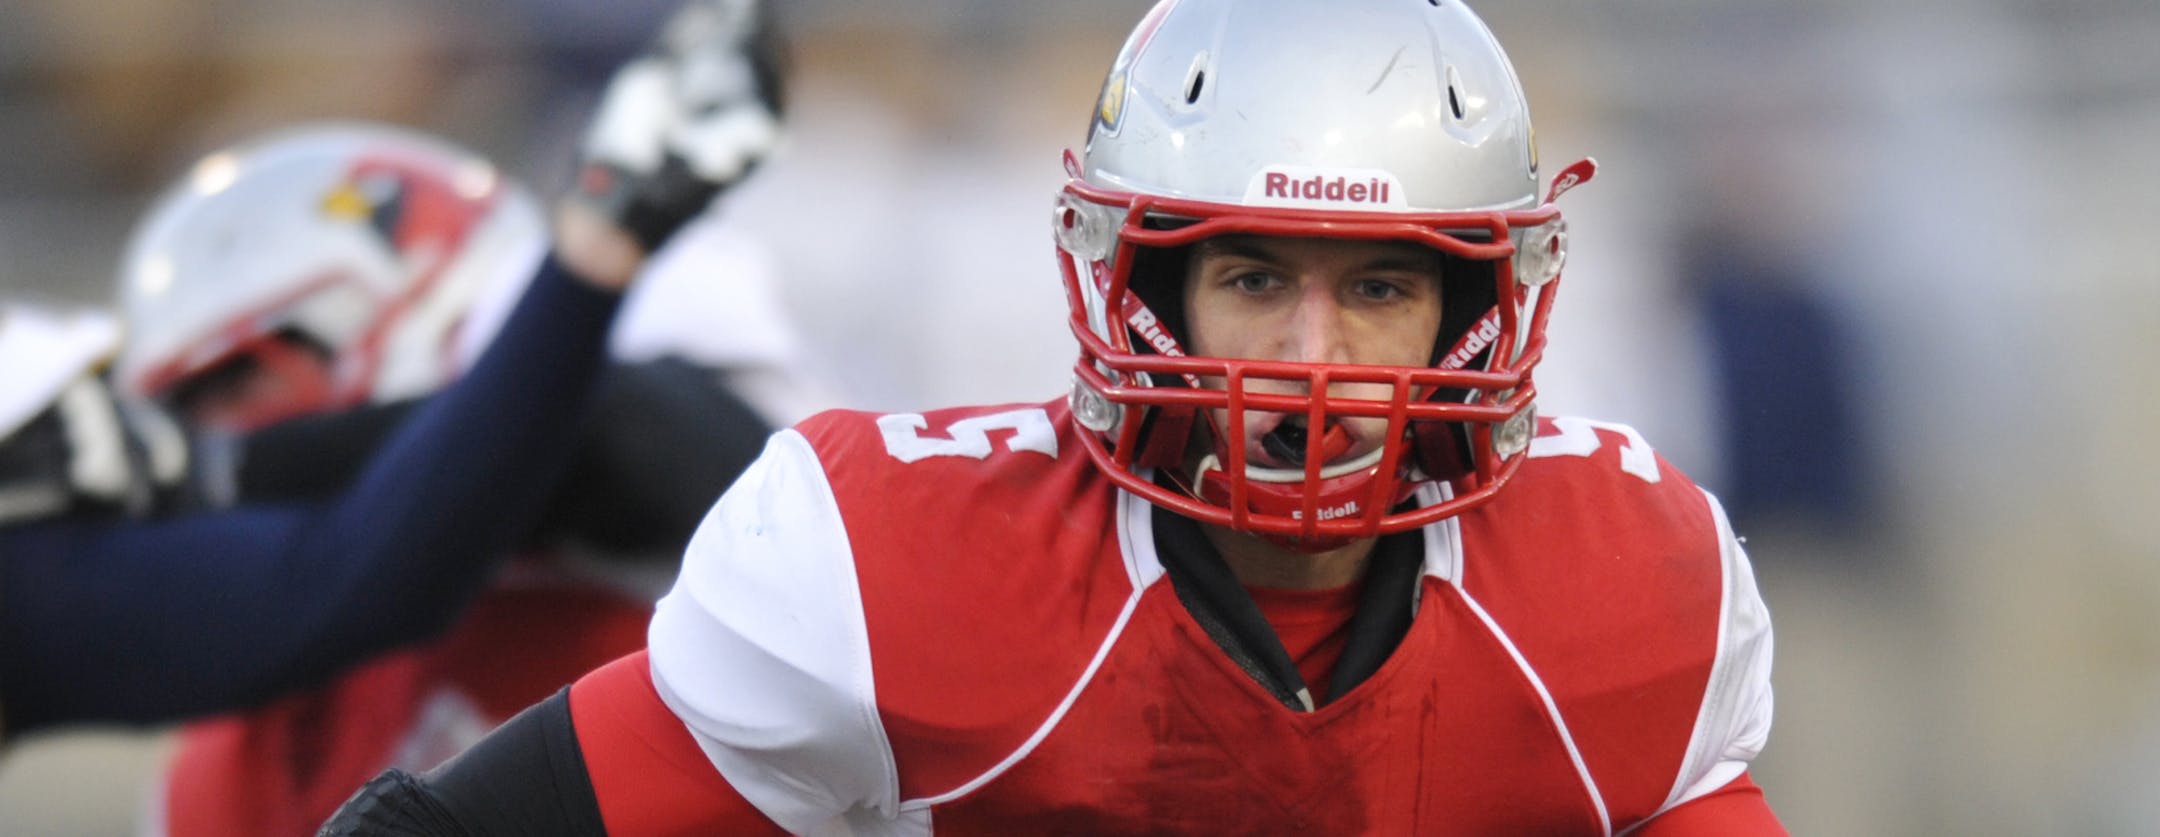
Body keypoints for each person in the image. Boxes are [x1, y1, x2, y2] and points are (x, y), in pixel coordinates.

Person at [323, 1, 1784, 834]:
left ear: (1478, 309)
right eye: (1255, 274)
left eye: (1384, 285)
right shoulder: (901, 571)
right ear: (1141, 279)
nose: (1310, 353)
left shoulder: (1625, 587)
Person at [0, 0, 779, 754]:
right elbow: (343, 570)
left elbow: (644, 435)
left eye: (229, 386)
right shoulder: (228, 763)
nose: (199, 432)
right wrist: (593, 255)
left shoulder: (624, 367)